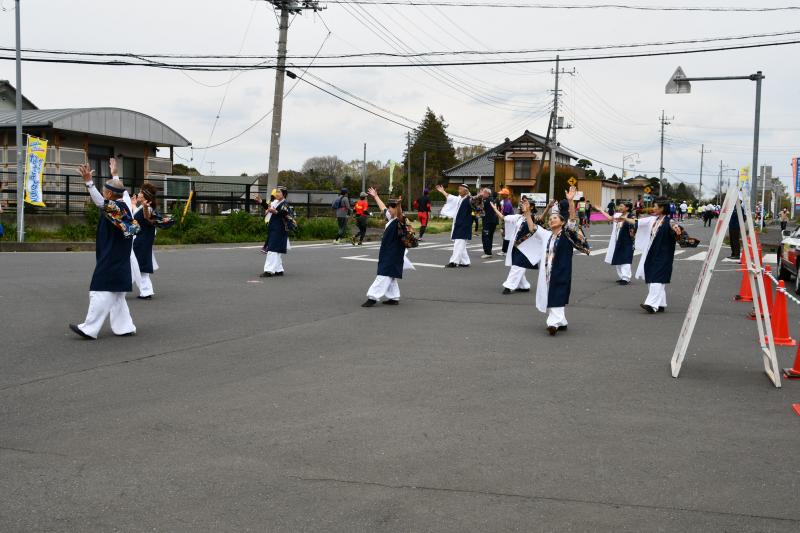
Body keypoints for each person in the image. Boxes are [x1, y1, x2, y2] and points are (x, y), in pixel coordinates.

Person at [69, 159, 139, 339]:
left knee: (99, 290)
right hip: (119, 257)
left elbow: (101, 202)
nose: (102, 191)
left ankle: (89, 328)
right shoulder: (124, 204)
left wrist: (88, 182)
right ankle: (125, 327)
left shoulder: (116, 207)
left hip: (112, 257)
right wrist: (115, 173)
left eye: (104, 189)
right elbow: (119, 192)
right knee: (116, 295)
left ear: (108, 193)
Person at [529, 186, 588, 335]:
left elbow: (573, 220)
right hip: (547, 271)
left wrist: (570, 201)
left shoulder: (567, 234)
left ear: (562, 222)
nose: (551, 220)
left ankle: (553, 323)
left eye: (555, 218)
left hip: (561, 270)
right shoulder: (546, 235)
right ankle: (561, 321)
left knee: (557, 293)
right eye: (550, 219)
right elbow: (532, 228)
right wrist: (527, 213)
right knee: (553, 294)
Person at [361, 188, 414, 307]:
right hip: (389, 250)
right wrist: (375, 196)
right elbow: (382, 208)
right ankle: (393, 297)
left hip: (394, 251)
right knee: (390, 274)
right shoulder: (391, 218)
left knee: (384, 272)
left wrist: (399, 205)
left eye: (391, 207)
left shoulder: (401, 220)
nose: (389, 209)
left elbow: (399, 214)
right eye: (390, 207)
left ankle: (373, 297)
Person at [634, 197, 682, 313]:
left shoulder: (670, 221)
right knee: (653, 278)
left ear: (662, 208)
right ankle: (660, 304)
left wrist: (678, 230)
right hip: (653, 252)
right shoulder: (655, 220)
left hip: (664, 254)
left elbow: (677, 229)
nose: (653, 208)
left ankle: (651, 305)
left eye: (655, 206)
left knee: (656, 278)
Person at [491, 197, 542, 294]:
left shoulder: (533, 218)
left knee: (517, 265)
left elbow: (541, 220)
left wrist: (548, 207)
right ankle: (523, 285)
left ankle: (509, 286)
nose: (522, 205)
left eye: (525, 203)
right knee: (517, 264)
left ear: (531, 207)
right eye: (522, 203)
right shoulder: (518, 217)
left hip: (527, 247)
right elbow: (503, 217)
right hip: (515, 245)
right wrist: (494, 209)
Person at [132, 182, 174, 299]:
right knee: (139, 267)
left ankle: (118, 289)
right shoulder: (143, 207)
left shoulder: (147, 208)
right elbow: (139, 215)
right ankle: (146, 291)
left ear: (145, 195)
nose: (138, 193)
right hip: (141, 240)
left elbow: (146, 217)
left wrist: (145, 208)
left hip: (141, 241)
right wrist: (133, 204)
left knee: (136, 266)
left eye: (140, 192)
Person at [593, 202, 636, 284]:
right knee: (618, 257)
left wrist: (626, 221)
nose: (619, 207)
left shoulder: (631, 215)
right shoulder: (617, 215)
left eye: (621, 206)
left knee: (626, 258)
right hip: (617, 240)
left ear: (627, 208)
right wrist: (601, 210)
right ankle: (622, 277)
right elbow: (609, 218)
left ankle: (626, 278)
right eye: (619, 205)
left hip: (627, 240)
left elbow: (635, 222)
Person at [436, 183, 474, 268]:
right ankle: (465, 261)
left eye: (460, 189)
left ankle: (454, 262)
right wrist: (443, 191)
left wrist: (480, 195)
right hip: (458, 224)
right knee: (460, 244)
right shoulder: (459, 199)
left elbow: (476, 202)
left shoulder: (469, 200)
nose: (459, 190)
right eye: (459, 189)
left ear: (466, 191)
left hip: (464, 225)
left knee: (458, 244)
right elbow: (450, 197)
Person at [260, 186, 293, 277]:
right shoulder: (276, 202)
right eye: (276, 192)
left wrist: (274, 211)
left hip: (280, 228)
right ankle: (279, 269)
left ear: (284, 194)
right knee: (276, 249)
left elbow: (284, 213)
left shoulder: (285, 203)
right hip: (274, 227)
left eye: (279, 192)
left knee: (272, 249)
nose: (277, 194)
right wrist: (261, 202)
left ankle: (269, 270)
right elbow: (269, 207)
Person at [480, 187, 498, 258]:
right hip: (493, 221)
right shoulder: (492, 199)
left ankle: (487, 252)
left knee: (485, 236)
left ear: (487, 193)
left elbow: (480, 207)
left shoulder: (487, 200)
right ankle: (489, 251)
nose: (482, 194)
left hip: (488, 221)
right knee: (490, 236)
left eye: (483, 192)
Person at [498, 188, 514, 256]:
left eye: (502, 194)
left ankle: (505, 250)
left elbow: (506, 215)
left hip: (508, 222)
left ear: (505, 195)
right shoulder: (505, 202)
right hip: (507, 221)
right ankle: (506, 250)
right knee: (505, 235)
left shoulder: (507, 203)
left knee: (506, 235)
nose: (500, 195)